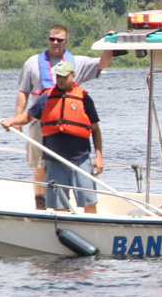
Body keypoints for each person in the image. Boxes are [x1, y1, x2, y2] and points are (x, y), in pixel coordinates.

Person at [16, 24, 114, 209]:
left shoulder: (76, 62)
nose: (55, 42)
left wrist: (108, 43)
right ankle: (41, 204)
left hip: (68, 122)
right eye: (52, 39)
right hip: (38, 121)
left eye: (59, 40)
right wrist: (17, 119)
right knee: (39, 165)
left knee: (67, 164)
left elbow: (104, 63)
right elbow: (23, 92)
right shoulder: (32, 63)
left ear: (66, 42)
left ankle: (73, 205)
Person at [2, 61, 105, 213]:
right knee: (59, 205)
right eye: (58, 76)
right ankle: (61, 229)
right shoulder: (46, 98)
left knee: (89, 201)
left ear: (73, 76)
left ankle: (93, 228)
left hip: (80, 159)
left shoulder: (84, 99)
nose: (60, 80)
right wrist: (11, 121)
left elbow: (95, 130)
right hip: (54, 161)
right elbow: (28, 117)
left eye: (64, 76)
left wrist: (99, 157)